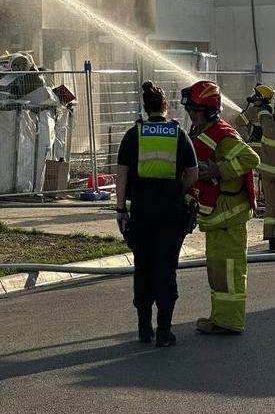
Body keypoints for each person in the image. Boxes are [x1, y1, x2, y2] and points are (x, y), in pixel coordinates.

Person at [116, 81, 198, 348]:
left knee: (143, 268)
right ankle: (164, 331)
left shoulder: (133, 135)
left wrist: (121, 209)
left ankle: (143, 328)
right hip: (171, 213)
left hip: (141, 212)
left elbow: (122, 175)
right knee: (166, 268)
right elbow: (193, 173)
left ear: (145, 107)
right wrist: (177, 190)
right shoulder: (179, 134)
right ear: (165, 106)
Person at [181, 80, 260, 334]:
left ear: (210, 111)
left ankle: (231, 322)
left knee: (230, 274)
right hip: (217, 218)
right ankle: (220, 319)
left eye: (196, 111)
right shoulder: (203, 132)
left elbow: (251, 158)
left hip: (230, 217)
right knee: (217, 273)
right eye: (190, 110)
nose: (192, 115)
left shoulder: (223, 135)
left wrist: (219, 170)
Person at [235, 84, 275, 251]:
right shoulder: (271, 112)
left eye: (255, 94)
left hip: (264, 162)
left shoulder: (255, 112)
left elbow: (239, 121)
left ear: (259, 97)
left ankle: (272, 238)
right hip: (266, 159)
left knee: (271, 204)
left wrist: (248, 109)